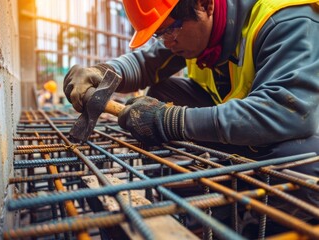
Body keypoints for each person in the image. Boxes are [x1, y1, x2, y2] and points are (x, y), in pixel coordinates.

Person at [64, 0, 319, 235]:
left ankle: (261, 226)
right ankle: (203, 219)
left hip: (296, 137)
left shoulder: (283, 20)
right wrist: (102, 72)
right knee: (163, 94)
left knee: (300, 165)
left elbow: (287, 111)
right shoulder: (190, 30)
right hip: (246, 137)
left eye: (169, 30)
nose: (166, 42)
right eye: (158, 34)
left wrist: (172, 121)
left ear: (206, 4)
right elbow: (145, 63)